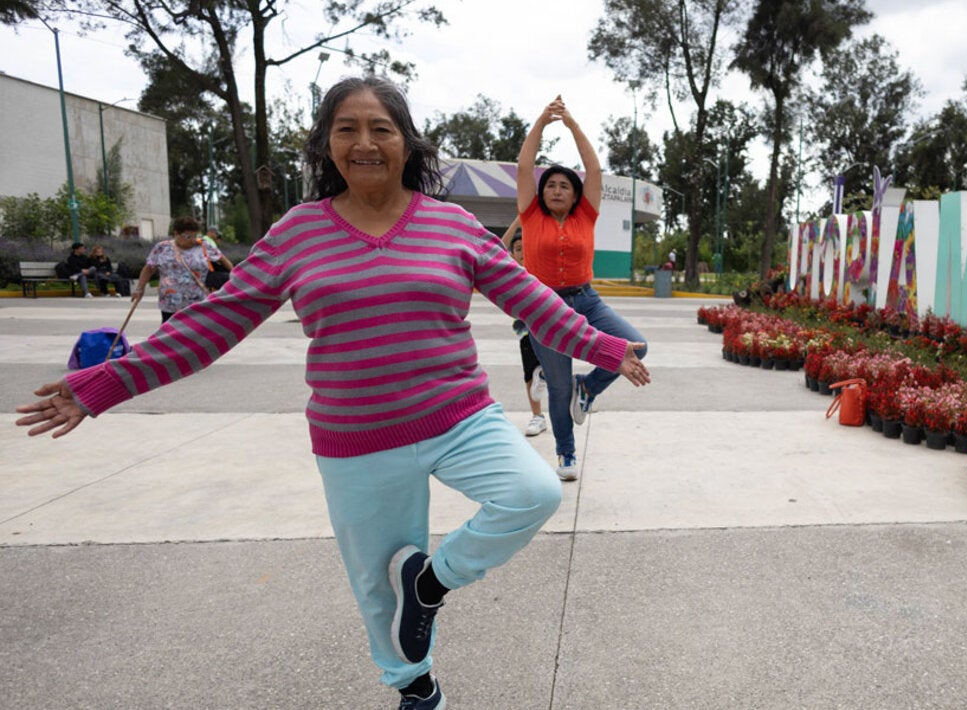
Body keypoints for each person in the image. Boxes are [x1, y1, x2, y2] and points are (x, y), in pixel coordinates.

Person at [15, 75, 649, 710]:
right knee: (376, 586)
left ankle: (431, 583)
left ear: (407, 143)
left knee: (531, 493)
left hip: (461, 418)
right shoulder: (299, 232)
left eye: (382, 128)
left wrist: (607, 349)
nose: (365, 143)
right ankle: (416, 686)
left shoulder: (451, 225)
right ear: (325, 146)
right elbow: (215, 321)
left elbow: (534, 300)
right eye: (347, 129)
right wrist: (102, 385)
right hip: (356, 437)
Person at [517, 96, 649, 481]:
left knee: (637, 344)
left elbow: (593, 168)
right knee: (558, 387)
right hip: (544, 307)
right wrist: (542, 120)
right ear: (542, 193)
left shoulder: (586, 216)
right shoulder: (530, 214)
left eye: (564, 186)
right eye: (551, 185)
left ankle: (587, 389)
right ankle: (566, 454)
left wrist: (572, 124)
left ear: (576, 195)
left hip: (586, 299)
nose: (557, 190)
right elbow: (526, 167)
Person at [132, 216, 234, 323]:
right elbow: (149, 268)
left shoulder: (204, 245)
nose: (192, 240)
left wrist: (236, 278)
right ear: (176, 234)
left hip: (198, 302)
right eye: (188, 236)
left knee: (197, 335)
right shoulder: (162, 248)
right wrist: (140, 288)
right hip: (170, 303)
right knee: (170, 335)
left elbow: (223, 260)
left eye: (195, 235)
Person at [503, 217, 549, 439]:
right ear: (513, 254)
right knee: (530, 373)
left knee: (551, 368)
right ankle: (538, 416)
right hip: (526, 328)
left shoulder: (541, 267)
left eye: (526, 248)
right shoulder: (511, 270)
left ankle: (547, 377)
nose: (523, 253)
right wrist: (517, 222)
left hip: (550, 325)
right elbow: (498, 248)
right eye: (518, 249)